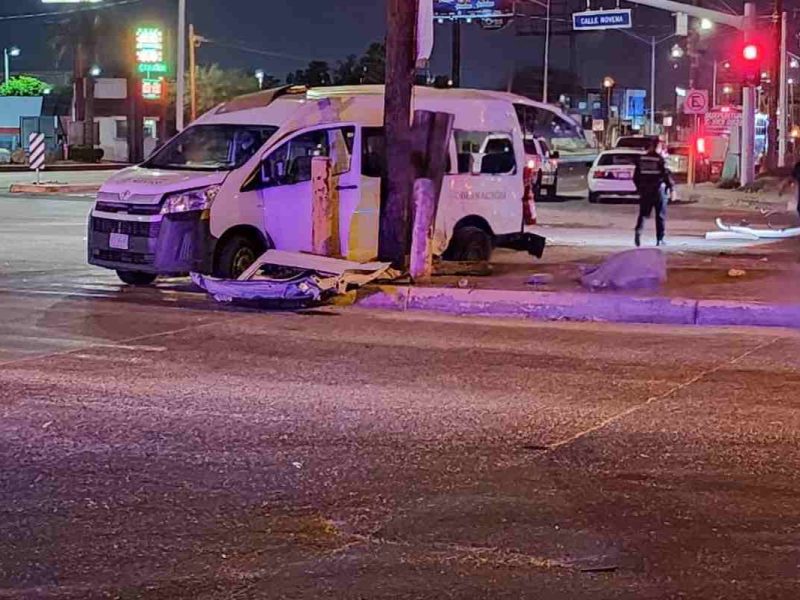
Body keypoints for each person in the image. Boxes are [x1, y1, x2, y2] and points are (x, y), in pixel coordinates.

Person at [633, 140, 674, 247]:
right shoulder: (659, 159)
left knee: (643, 213)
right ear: (658, 147)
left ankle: (638, 231)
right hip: (658, 190)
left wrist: (639, 188)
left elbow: (635, 177)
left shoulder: (641, 159)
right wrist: (671, 188)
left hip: (645, 190)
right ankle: (660, 239)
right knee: (660, 215)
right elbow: (666, 175)